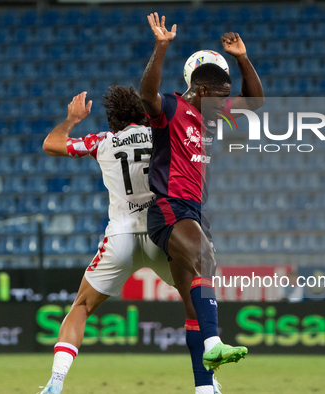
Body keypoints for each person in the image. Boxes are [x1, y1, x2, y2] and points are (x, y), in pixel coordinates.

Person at [38, 87, 221, 394]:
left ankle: (56, 382)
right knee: (196, 307)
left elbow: (51, 144)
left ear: (113, 121)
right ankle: (207, 385)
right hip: (164, 231)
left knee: (81, 306)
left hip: (121, 235)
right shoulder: (163, 134)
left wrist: (72, 119)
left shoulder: (104, 141)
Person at [140, 13, 264, 371]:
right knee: (206, 260)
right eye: (223, 97)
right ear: (204, 90)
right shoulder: (171, 108)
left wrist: (242, 58)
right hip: (169, 208)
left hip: (193, 211)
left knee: (194, 306)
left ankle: (204, 384)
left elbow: (255, 102)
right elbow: (147, 94)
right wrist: (161, 47)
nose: (227, 104)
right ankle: (214, 343)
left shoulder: (212, 113)